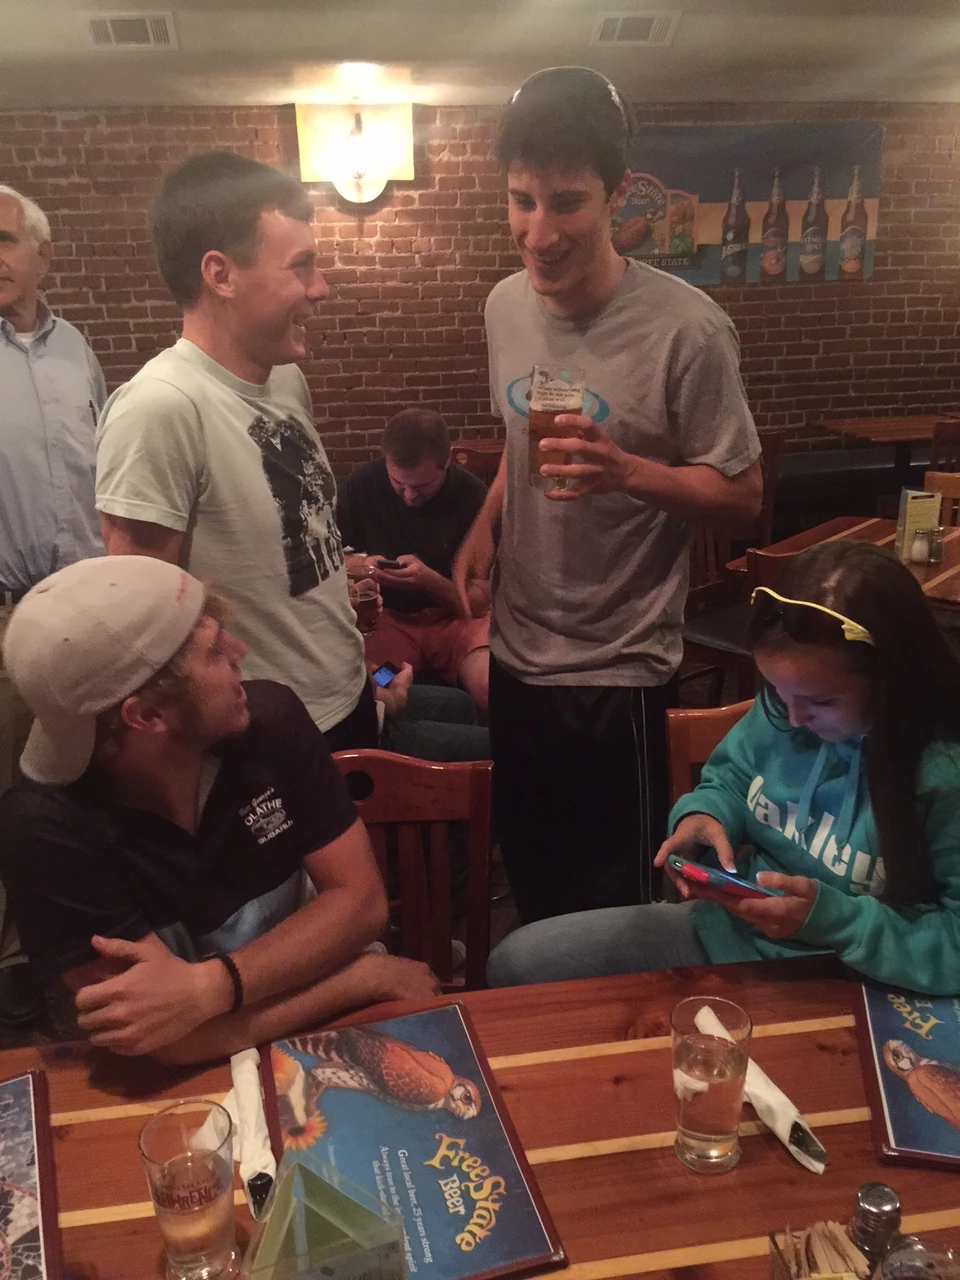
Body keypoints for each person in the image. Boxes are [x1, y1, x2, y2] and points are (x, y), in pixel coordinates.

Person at [453, 67, 762, 922]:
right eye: (520, 201)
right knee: (536, 890)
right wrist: (487, 523)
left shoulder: (688, 328)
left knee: (615, 910)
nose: (538, 232)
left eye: (566, 202)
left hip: (620, 671)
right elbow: (525, 442)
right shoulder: (504, 307)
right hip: (519, 659)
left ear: (619, 194)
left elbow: (741, 496)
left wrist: (627, 470)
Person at [0, 556, 438, 1063]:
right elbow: (169, 1043)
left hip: (327, 1027)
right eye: (213, 652)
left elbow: (362, 905)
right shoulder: (44, 830)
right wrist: (357, 979)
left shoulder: (271, 720)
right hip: (195, 1080)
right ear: (146, 716)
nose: (241, 651)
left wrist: (208, 990)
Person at [489, 541, 960, 996]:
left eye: (820, 701)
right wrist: (706, 814)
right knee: (518, 961)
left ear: (893, 680)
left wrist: (834, 920)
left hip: (854, 978)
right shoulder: (786, 710)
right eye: (777, 692)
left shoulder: (941, 777)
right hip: (729, 935)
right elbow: (731, 780)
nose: (793, 718)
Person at [95, 151, 385, 752]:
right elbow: (147, 630)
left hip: (343, 695)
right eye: (301, 267)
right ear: (220, 275)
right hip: (261, 736)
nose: (320, 288)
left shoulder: (283, 377)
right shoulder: (159, 408)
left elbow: (287, 541)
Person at [0, 184, 107, 1026]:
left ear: (42, 253)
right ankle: (24, 971)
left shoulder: (77, 351)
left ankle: (100, 945)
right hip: (6, 616)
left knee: (97, 775)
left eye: (5, 240)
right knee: (15, 789)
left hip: (86, 603)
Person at [337, 407, 491, 711]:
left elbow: (479, 603)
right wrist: (364, 565)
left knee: (489, 688)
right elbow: (333, 562)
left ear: (446, 461)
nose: (408, 496)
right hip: (388, 620)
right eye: (398, 484)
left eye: (422, 486)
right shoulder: (363, 483)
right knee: (377, 682)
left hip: (455, 620)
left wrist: (430, 581)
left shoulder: (474, 496)